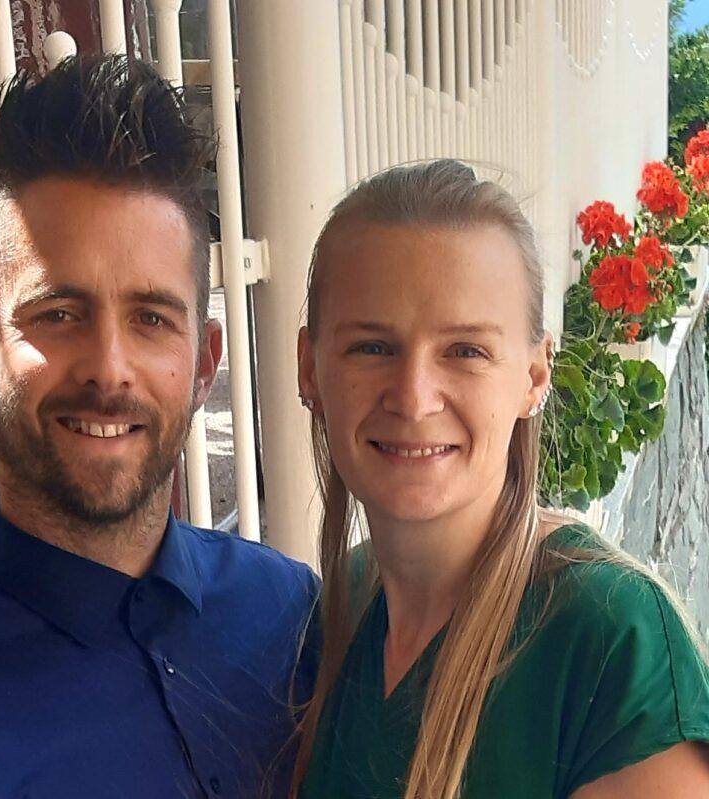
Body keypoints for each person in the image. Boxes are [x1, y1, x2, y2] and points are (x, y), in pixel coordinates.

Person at [0, 54, 319, 798]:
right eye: (59, 314)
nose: (109, 370)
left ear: (203, 362)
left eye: (151, 318)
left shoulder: (289, 613)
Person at [291, 160, 709, 798]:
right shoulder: (342, 607)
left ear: (535, 376)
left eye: (466, 351)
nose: (414, 397)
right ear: (309, 368)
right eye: (372, 347)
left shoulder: (610, 643)